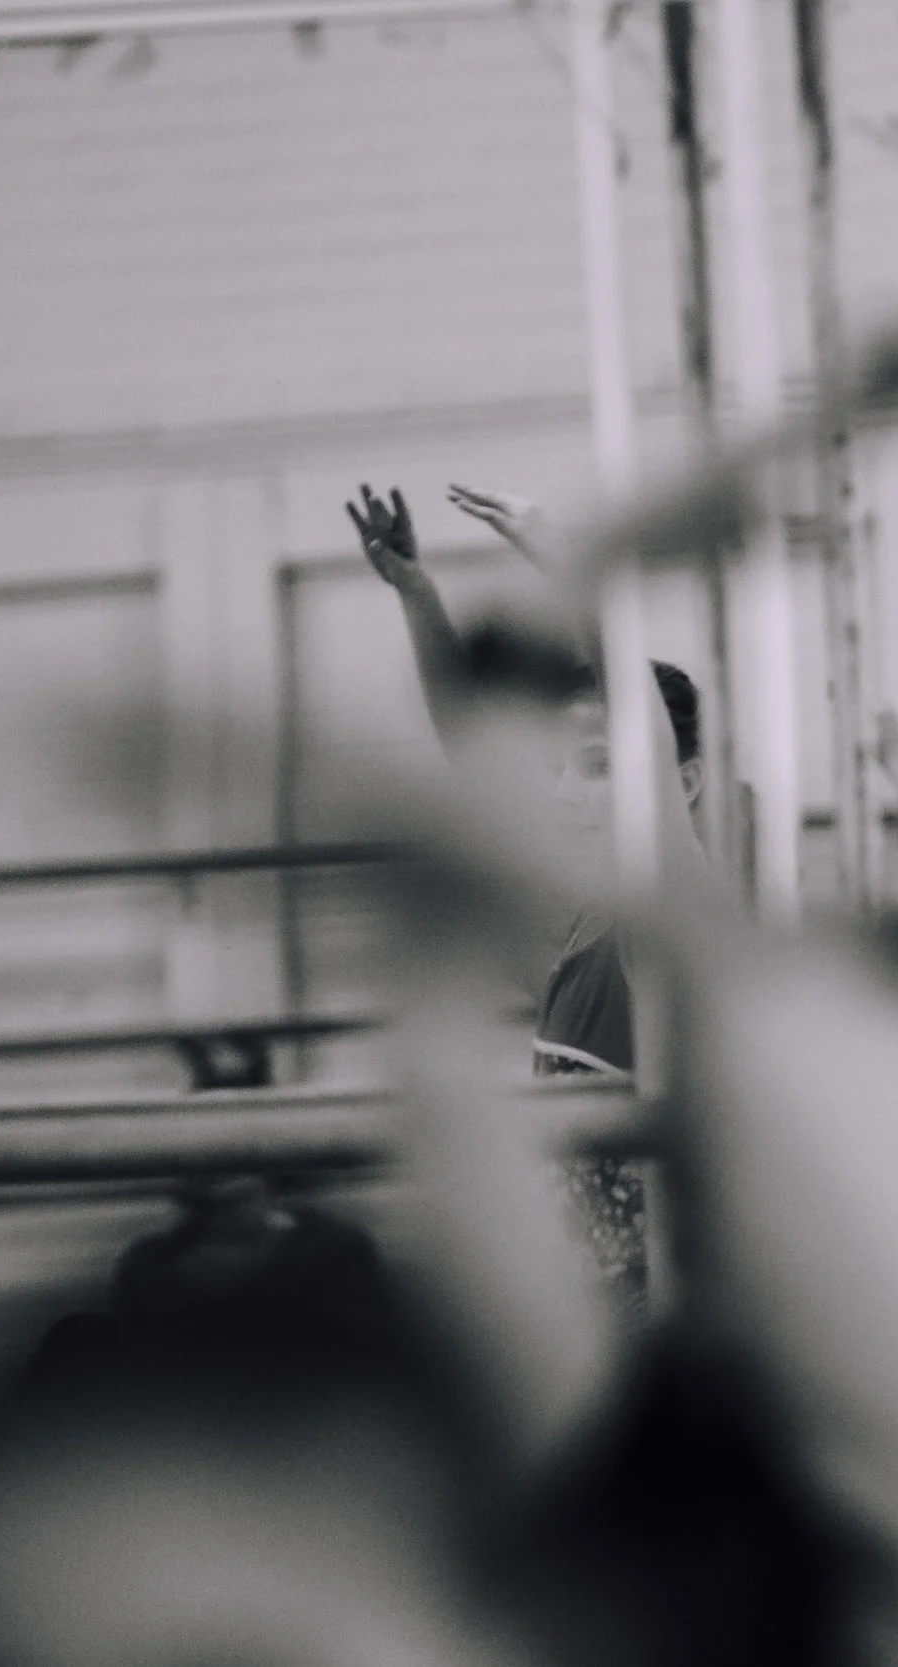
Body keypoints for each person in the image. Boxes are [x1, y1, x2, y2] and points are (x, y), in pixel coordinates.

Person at [350, 482, 706, 1308]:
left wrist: (565, 566)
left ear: (682, 782)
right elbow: (474, 756)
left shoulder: (674, 904)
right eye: (552, 768)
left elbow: (645, 740)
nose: (563, 793)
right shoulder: (565, 930)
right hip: (589, 1305)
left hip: (675, 1309)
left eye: (597, 766)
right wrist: (417, 592)